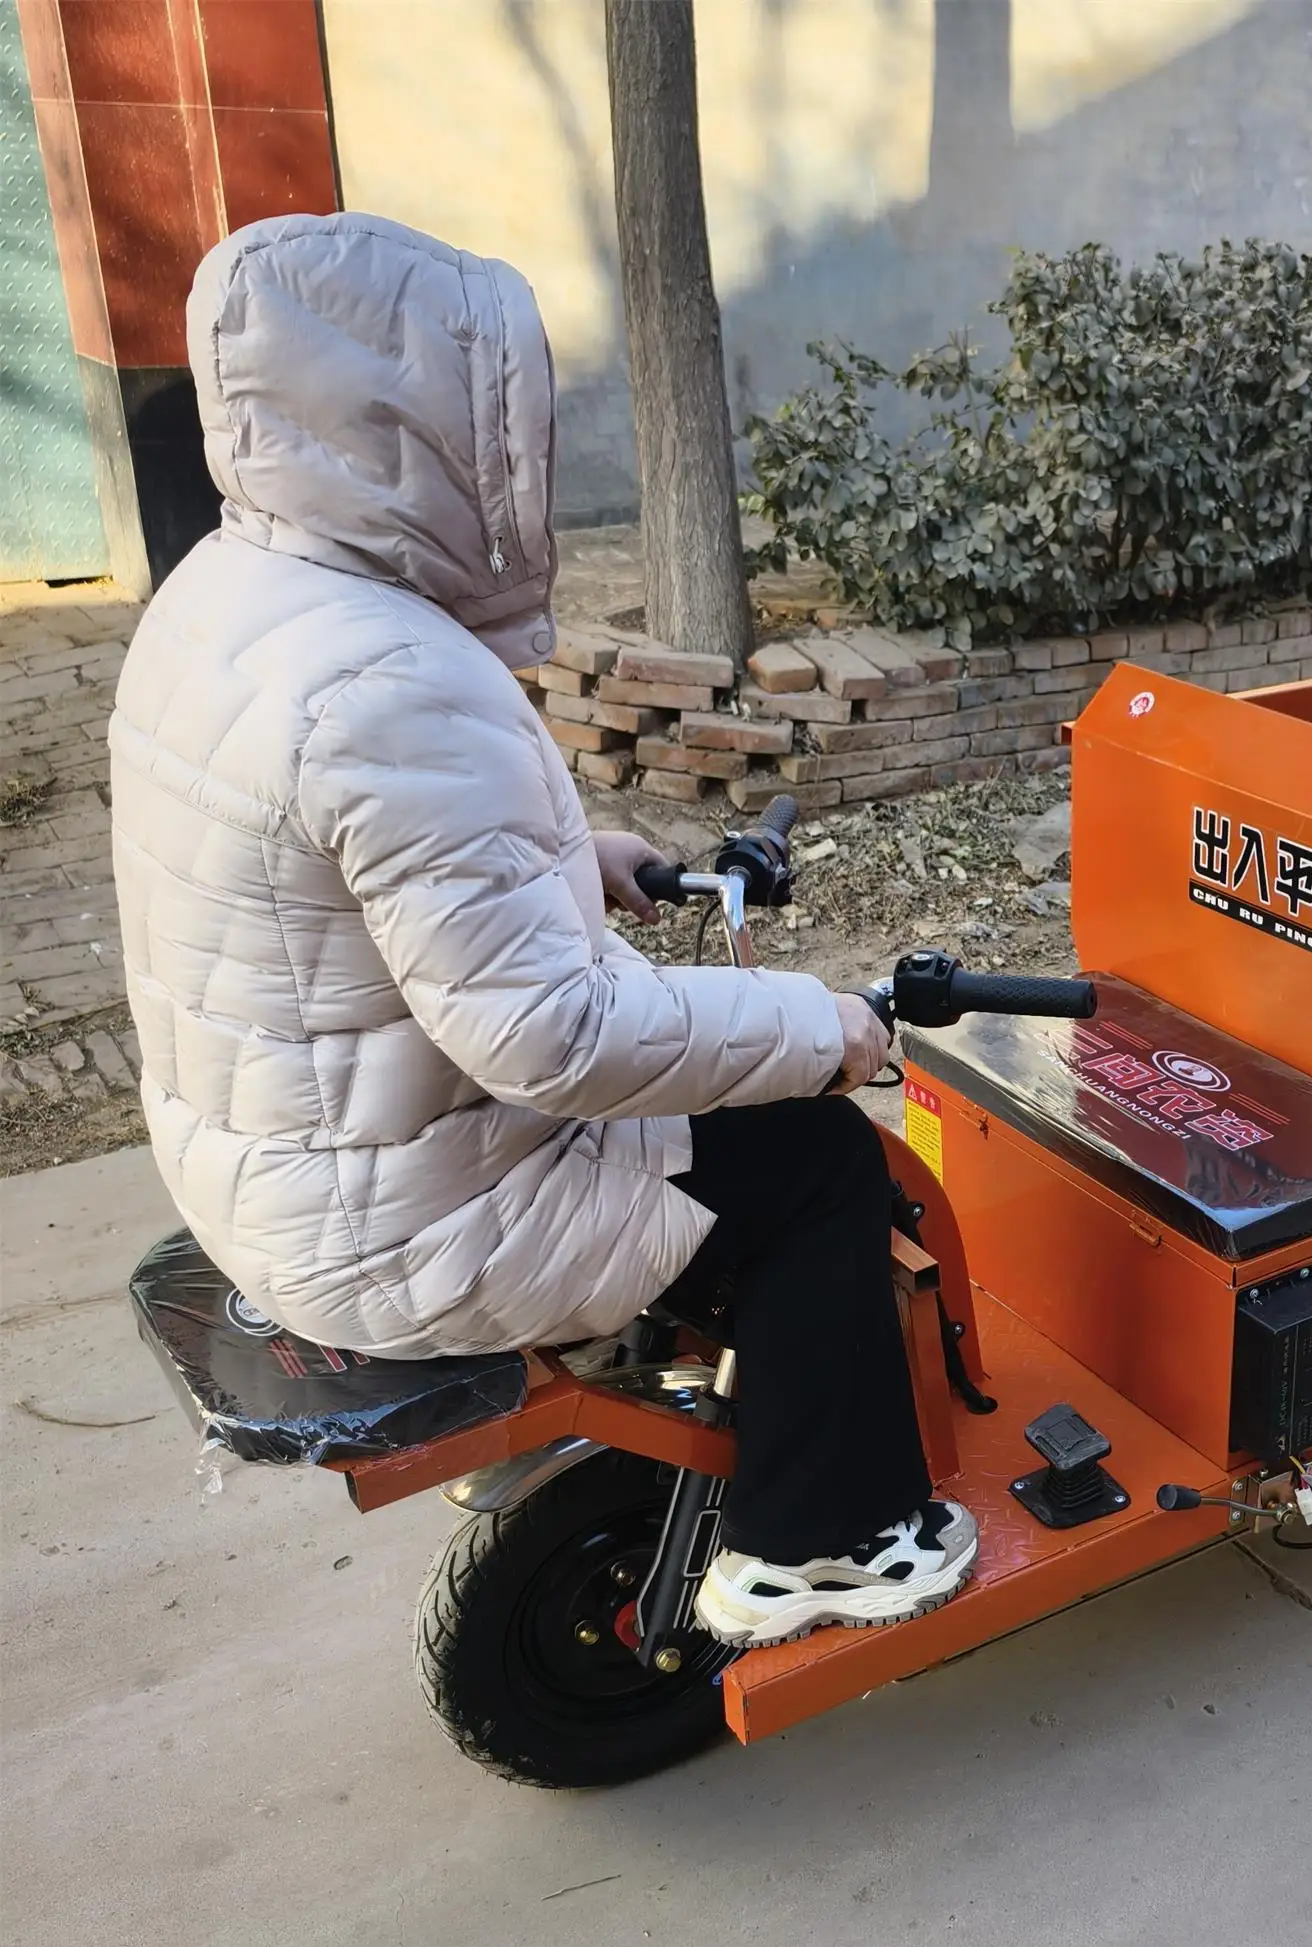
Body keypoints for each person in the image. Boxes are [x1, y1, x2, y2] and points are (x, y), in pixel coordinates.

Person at [108, 212, 973, 1647]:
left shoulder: (227, 597)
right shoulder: (395, 680)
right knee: (821, 1164)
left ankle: (687, 1408)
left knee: (744, 1133)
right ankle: (829, 1544)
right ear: (435, 432)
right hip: (406, 1215)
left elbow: (330, 879)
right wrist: (826, 1029)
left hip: (282, 1168)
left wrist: (587, 863)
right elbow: (556, 1037)